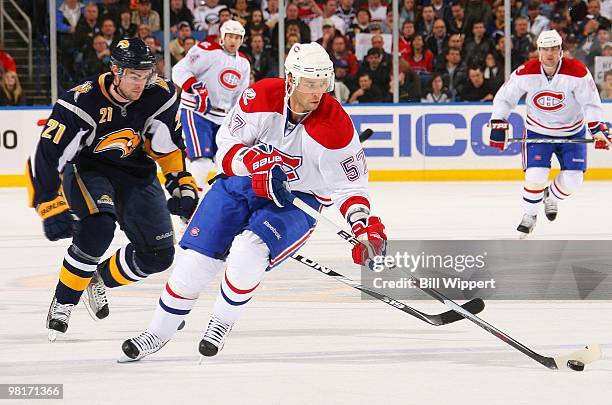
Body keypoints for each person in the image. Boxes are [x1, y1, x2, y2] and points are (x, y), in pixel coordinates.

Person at [120, 41, 386, 361]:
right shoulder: (261, 96)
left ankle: (220, 321)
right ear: (290, 79)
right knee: (195, 263)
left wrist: (363, 227)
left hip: (297, 199)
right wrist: (255, 165)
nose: (317, 93)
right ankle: (158, 332)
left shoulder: (337, 126)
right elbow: (226, 146)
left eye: (322, 84)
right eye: (309, 84)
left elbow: (350, 187)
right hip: (243, 184)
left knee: (250, 249)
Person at [26, 38, 198, 341]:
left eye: (146, 76)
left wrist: (181, 184)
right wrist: (49, 203)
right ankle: (65, 300)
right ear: (116, 70)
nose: (141, 84)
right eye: (134, 76)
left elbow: (167, 147)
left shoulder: (161, 95)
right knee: (98, 229)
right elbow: (47, 156)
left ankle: (95, 280)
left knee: (158, 254)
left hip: (136, 173)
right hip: (89, 170)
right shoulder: (81, 102)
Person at [489, 30, 610, 238]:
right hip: (538, 130)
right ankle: (529, 215)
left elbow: (590, 102)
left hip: (572, 131)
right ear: (538, 51)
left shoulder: (577, 72)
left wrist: (597, 129)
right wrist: (498, 122)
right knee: (535, 176)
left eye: (554, 48)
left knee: (573, 181)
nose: (550, 53)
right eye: (545, 49)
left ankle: (550, 195)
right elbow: (505, 98)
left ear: (561, 50)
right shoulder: (526, 71)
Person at [172, 20, 251, 191]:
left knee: (225, 162)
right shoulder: (207, 50)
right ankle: (190, 201)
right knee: (202, 161)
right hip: (197, 111)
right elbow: (179, 70)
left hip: (223, 118)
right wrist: (194, 86)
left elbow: (240, 95)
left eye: (237, 37)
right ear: (222, 37)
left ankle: (215, 201)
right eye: (230, 36)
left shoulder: (243, 63)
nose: (233, 41)